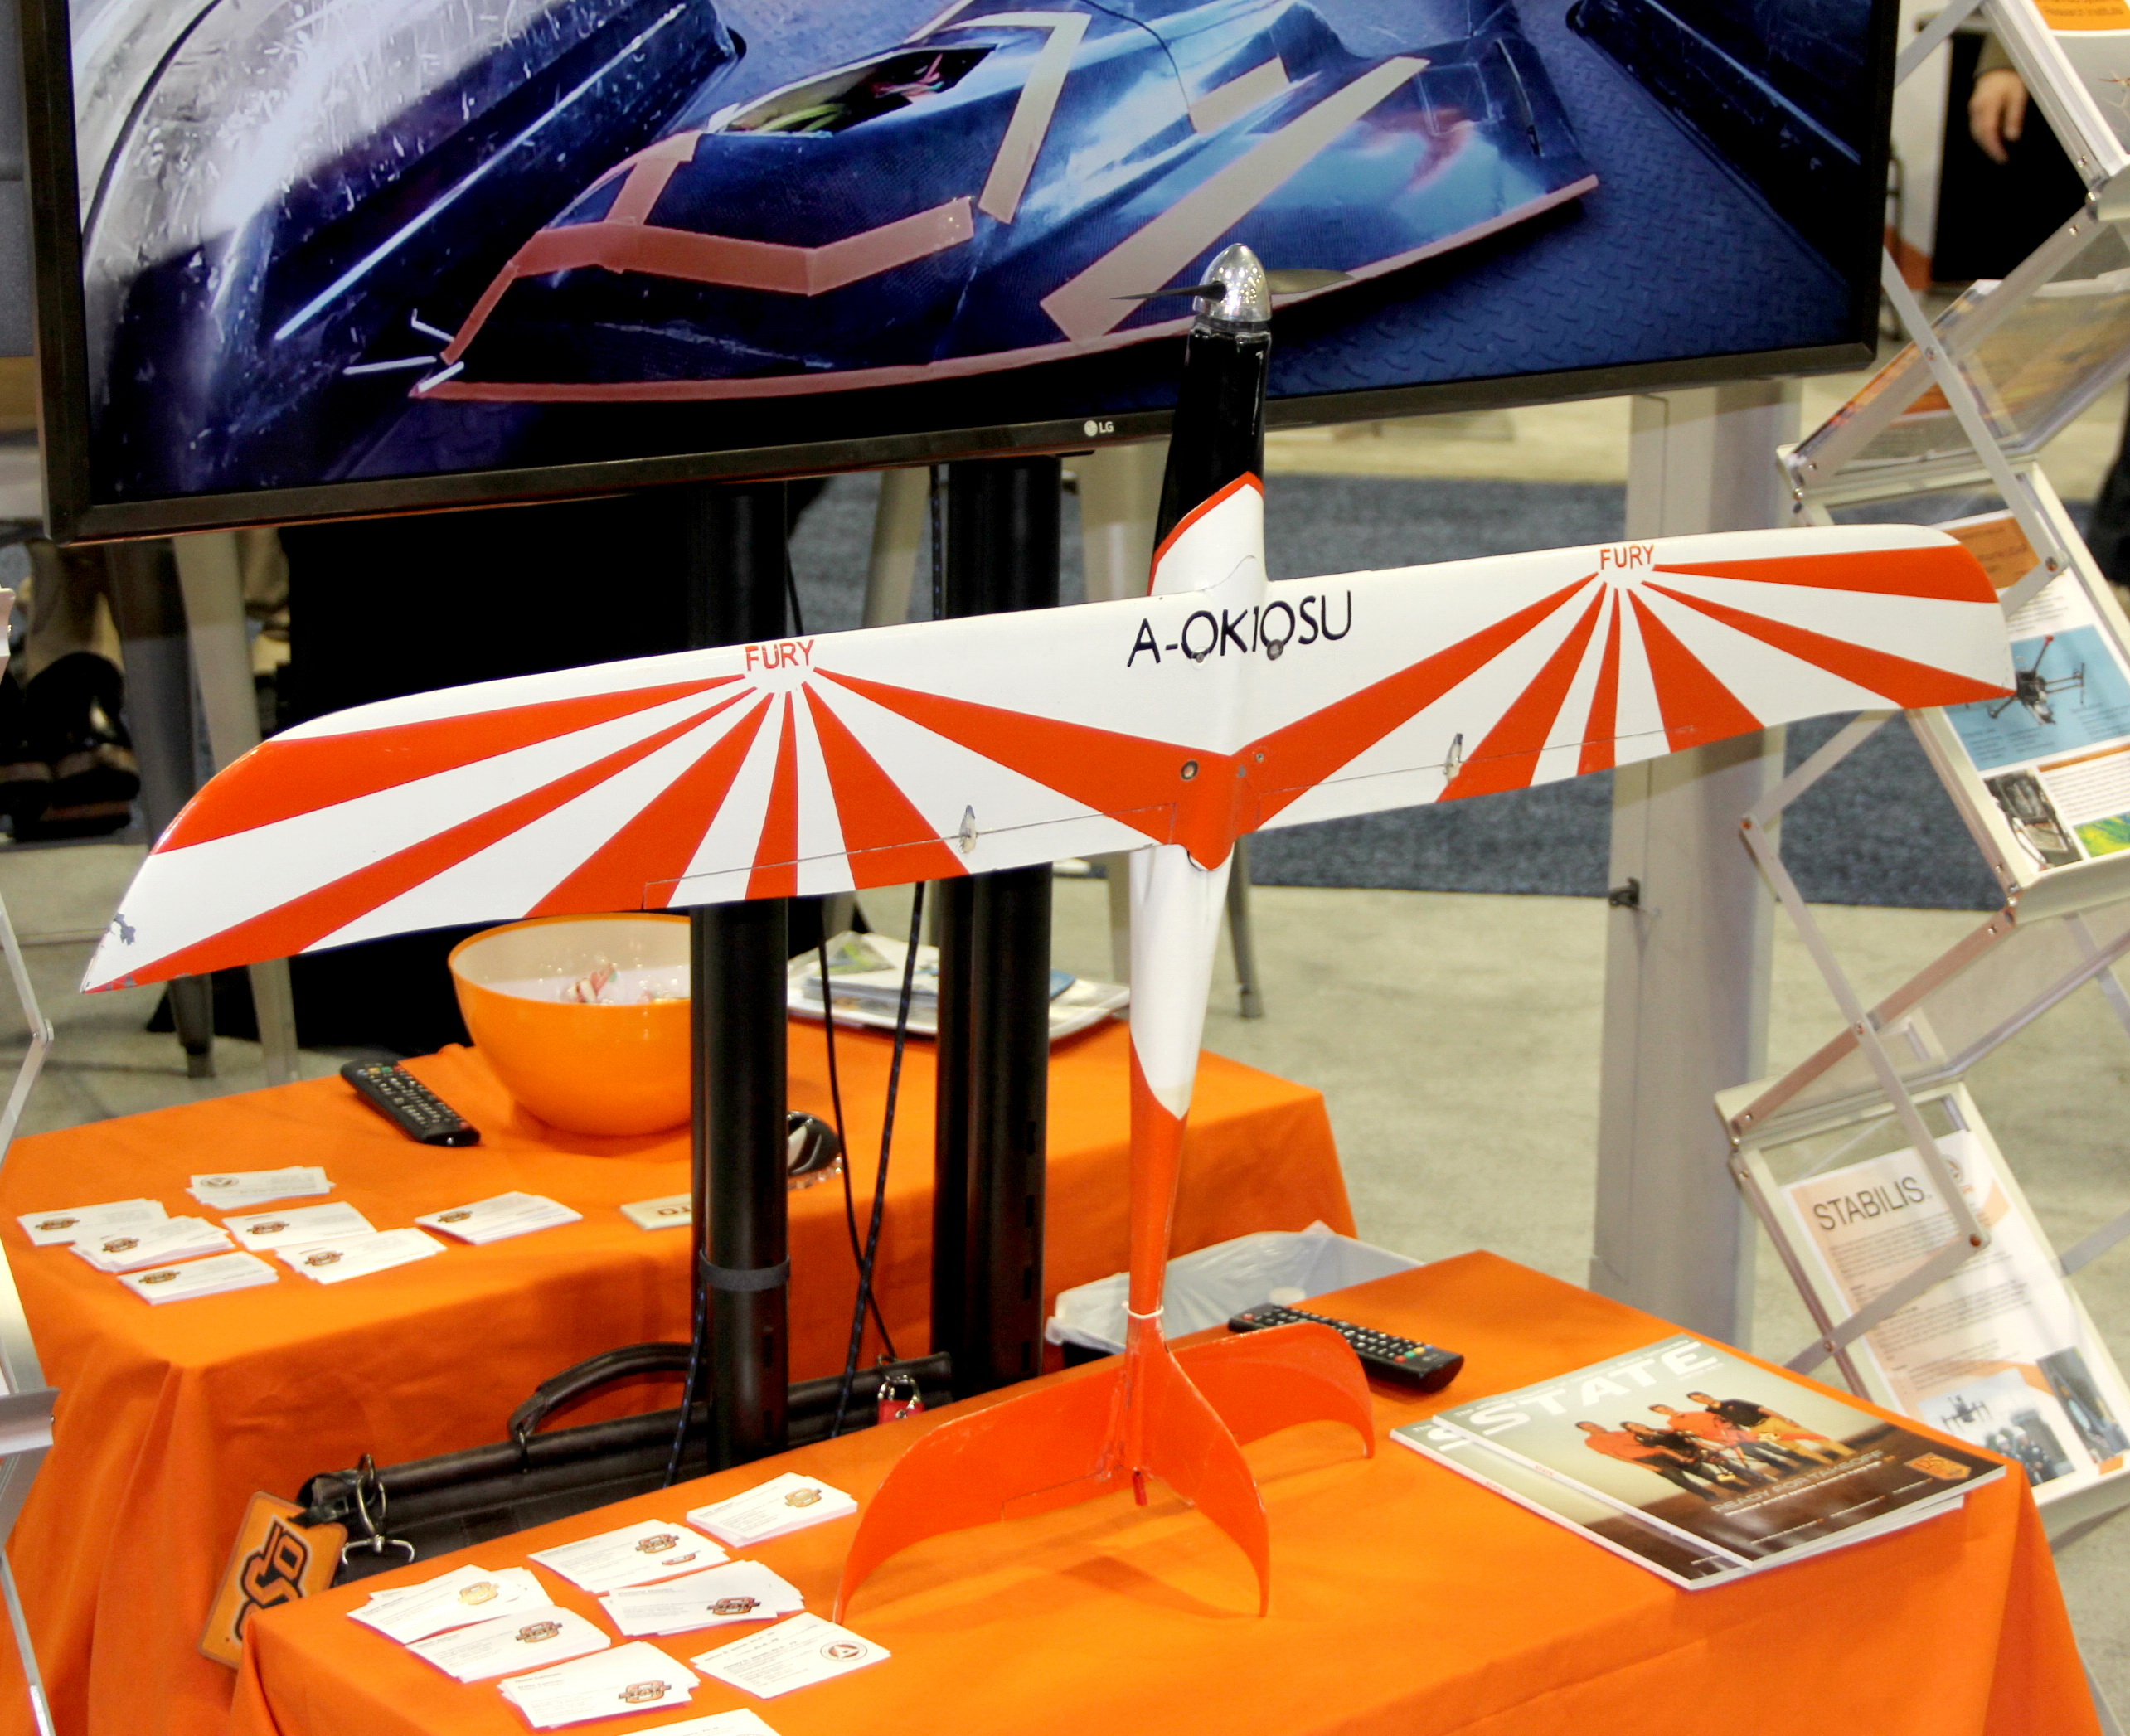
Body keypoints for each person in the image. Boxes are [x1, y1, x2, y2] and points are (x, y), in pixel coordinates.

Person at [1575, 1420, 1728, 1501]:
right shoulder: (1592, 1441)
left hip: (1664, 1453)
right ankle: (1710, 1496)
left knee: (1699, 1469)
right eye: (1589, 1427)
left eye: (1594, 1424)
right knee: (1680, 1480)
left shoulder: (1620, 1432)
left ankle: (1729, 1484)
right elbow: (1615, 1455)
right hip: (1649, 1460)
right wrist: (1646, 1466)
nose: (1595, 1427)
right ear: (1585, 1430)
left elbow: (1648, 1435)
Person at [1652, 1401, 1807, 1479]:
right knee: (1761, 1457)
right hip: (1728, 1442)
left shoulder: (1696, 1413)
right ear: (1660, 1414)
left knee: (1774, 1449)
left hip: (1738, 1435)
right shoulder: (1672, 1424)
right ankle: (1789, 1470)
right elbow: (1694, 1435)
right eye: (1661, 1411)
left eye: (1665, 1408)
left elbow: (1722, 1419)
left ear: (1669, 1407)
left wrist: (1730, 1427)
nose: (1665, 1411)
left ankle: (1806, 1461)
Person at [1686, 1391, 1853, 1465]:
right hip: (1757, 1431)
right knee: (1795, 1448)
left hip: (1772, 1421)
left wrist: (1786, 1419)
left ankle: (1850, 1454)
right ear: (1697, 1403)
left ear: (1707, 1395)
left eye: (1702, 1396)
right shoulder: (1709, 1413)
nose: (1703, 1399)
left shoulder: (1732, 1402)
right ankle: (1828, 1463)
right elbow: (1721, 1426)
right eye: (1698, 1400)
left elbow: (1762, 1409)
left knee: (1815, 1437)